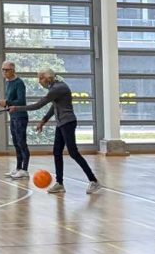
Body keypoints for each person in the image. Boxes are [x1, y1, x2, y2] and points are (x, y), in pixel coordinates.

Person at [10, 67, 99, 195]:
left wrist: (17, 108)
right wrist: (43, 120)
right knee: (57, 152)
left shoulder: (58, 88)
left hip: (68, 123)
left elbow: (38, 105)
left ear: (48, 78)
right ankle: (59, 184)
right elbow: (54, 107)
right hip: (61, 123)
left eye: (41, 78)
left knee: (73, 153)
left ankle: (93, 180)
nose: (39, 81)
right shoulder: (55, 88)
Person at [1, 61, 29, 179]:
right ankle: (18, 168)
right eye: (3, 69)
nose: (4, 72)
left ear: (13, 70)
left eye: (6, 70)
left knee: (22, 143)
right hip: (13, 117)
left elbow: (21, 101)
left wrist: (7, 102)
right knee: (16, 143)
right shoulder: (8, 83)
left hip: (21, 117)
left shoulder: (19, 83)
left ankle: (25, 170)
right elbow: (11, 101)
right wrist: (4, 104)